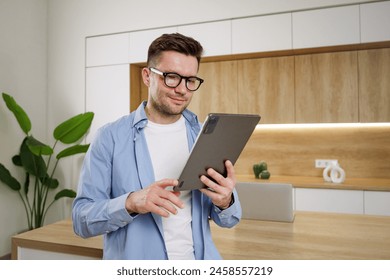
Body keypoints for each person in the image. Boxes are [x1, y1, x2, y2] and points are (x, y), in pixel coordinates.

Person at [72, 33, 242, 260]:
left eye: (190, 80)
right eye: (171, 77)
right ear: (147, 76)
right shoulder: (109, 138)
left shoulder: (203, 135)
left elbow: (230, 219)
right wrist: (131, 202)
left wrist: (225, 201)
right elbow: (81, 221)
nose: (182, 89)